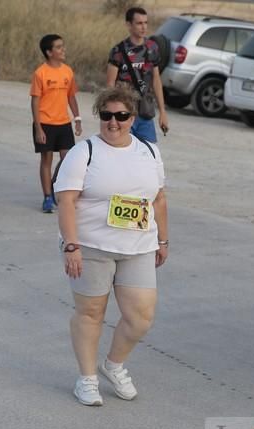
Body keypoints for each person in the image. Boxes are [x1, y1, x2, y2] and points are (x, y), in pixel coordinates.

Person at [54, 86, 169, 406]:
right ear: (99, 117)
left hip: (139, 245)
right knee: (91, 312)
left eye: (121, 116)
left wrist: (163, 239)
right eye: (107, 116)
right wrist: (71, 246)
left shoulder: (149, 151)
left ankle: (113, 364)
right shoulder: (84, 152)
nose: (113, 122)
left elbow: (159, 198)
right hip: (91, 245)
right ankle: (87, 378)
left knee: (140, 317)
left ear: (133, 118)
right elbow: (66, 200)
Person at [30, 33, 81, 213]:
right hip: (45, 123)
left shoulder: (67, 71)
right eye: (59, 47)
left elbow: (71, 96)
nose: (63, 50)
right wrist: (38, 128)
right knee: (47, 160)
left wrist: (77, 119)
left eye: (62, 46)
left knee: (68, 160)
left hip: (63, 123)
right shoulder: (40, 73)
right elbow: (35, 101)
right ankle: (47, 197)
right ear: (49, 52)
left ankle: (54, 186)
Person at [106, 6, 168, 143]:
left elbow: (156, 80)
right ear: (129, 25)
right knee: (122, 152)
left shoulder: (152, 48)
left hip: (145, 113)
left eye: (146, 23)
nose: (144, 27)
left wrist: (162, 111)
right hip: (125, 113)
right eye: (139, 23)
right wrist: (112, 114)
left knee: (148, 153)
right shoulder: (118, 51)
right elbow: (110, 84)